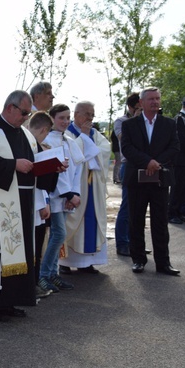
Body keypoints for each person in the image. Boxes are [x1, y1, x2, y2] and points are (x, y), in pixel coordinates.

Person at [0, 90, 59, 321]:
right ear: (10, 108)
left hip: (23, 204)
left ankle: (10, 300)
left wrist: (52, 167)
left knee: (19, 253)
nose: (27, 117)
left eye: (28, 113)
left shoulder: (26, 135)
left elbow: (34, 166)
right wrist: (12, 165)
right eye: (24, 112)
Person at [120, 86, 180, 275]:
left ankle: (163, 262)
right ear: (142, 102)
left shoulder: (169, 124)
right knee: (136, 220)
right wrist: (147, 161)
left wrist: (157, 162)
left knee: (160, 221)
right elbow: (127, 148)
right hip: (136, 179)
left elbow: (174, 147)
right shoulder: (129, 125)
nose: (155, 102)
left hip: (160, 179)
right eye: (151, 99)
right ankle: (138, 259)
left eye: (157, 98)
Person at [59, 101, 111, 275]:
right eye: (86, 114)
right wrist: (84, 137)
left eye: (92, 114)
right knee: (69, 222)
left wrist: (88, 138)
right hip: (75, 185)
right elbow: (73, 155)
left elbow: (104, 151)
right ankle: (64, 261)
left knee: (92, 220)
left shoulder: (95, 134)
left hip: (92, 187)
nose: (90, 118)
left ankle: (87, 262)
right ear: (76, 115)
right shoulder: (67, 134)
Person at [39, 104, 83, 293]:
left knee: (59, 236)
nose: (65, 121)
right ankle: (44, 274)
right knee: (58, 235)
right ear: (52, 119)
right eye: (61, 118)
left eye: (67, 118)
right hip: (55, 196)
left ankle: (52, 273)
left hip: (67, 197)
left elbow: (77, 169)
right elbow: (52, 173)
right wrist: (67, 193)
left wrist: (75, 193)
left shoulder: (70, 140)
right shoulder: (47, 140)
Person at [26, 111, 55, 298]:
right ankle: (30, 286)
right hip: (30, 205)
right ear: (44, 130)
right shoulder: (30, 144)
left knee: (36, 249)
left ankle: (33, 284)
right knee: (32, 249)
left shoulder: (36, 145)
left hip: (36, 203)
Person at [114, 93, 142, 256]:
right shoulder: (122, 121)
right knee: (127, 206)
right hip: (128, 165)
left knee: (139, 208)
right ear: (130, 108)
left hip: (143, 166)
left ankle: (135, 243)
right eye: (138, 109)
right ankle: (122, 243)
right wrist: (136, 121)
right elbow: (124, 139)